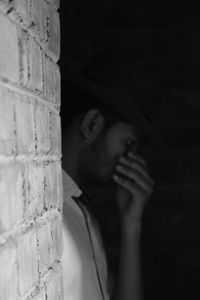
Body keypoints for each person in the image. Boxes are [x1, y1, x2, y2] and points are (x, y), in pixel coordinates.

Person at [61, 50, 163, 300]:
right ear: (92, 124)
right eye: (128, 143)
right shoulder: (44, 219)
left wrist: (131, 223)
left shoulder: (84, 217)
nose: (130, 159)